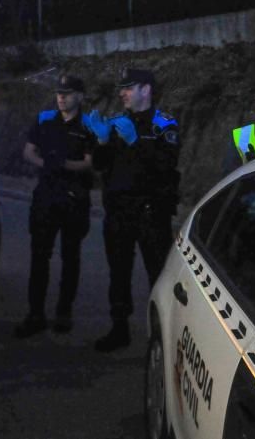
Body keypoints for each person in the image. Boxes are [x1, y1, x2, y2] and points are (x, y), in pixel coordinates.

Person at [83, 67, 180, 352]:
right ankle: (119, 328)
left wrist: (136, 143)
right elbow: (100, 166)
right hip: (119, 212)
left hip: (151, 212)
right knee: (119, 273)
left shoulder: (164, 124)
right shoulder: (117, 123)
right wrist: (101, 140)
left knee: (158, 275)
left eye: (129, 87)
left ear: (146, 89)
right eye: (122, 88)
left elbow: (165, 166)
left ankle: (163, 333)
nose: (122, 92)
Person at [14, 75, 94, 338]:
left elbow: (89, 161)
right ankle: (35, 314)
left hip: (74, 199)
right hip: (46, 197)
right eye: (59, 92)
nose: (62, 97)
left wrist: (64, 166)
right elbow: (28, 151)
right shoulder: (44, 119)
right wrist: (48, 165)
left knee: (71, 258)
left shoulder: (89, 125)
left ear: (80, 96)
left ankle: (63, 313)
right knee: (39, 257)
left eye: (68, 93)